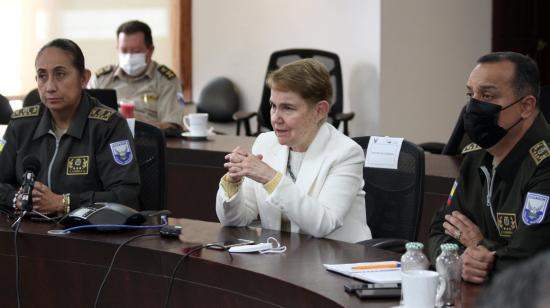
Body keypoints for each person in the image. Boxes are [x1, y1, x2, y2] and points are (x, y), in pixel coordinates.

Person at [215, 59, 371, 243]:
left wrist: (270, 177)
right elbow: (236, 220)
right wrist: (233, 184)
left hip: (339, 260)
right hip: (282, 259)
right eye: (273, 106)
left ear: (320, 111)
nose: (275, 118)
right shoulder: (265, 143)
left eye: (287, 108)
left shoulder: (346, 152)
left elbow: (324, 224)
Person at [428, 52, 550, 284]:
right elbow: (439, 229)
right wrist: (460, 259)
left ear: (526, 106)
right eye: (470, 94)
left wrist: (478, 244)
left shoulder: (545, 164)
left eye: (487, 95)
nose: (473, 105)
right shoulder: (476, 155)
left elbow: (529, 260)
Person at [0, 38, 140, 214]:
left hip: (86, 234)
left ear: (84, 78)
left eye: (60, 74)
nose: (50, 87)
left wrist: (63, 203)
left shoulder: (108, 125)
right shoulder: (21, 124)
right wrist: (15, 198)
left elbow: (126, 196)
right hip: (27, 231)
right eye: (42, 76)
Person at [88, 20, 192, 129]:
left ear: (150, 50)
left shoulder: (166, 81)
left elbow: (171, 126)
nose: (129, 56)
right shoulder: (101, 79)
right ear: (117, 49)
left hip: (146, 141)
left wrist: (135, 123)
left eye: (136, 51)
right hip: (104, 141)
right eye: (124, 51)